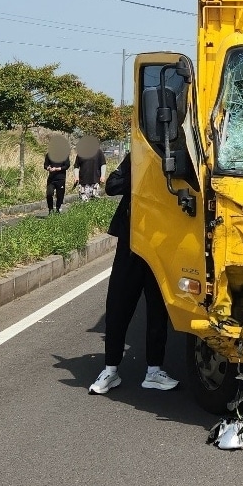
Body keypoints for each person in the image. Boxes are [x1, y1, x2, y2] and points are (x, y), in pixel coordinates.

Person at [88, 152, 179, 395]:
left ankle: (154, 371)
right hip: (131, 242)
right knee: (118, 306)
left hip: (162, 245)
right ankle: (110, 369)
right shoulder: (137, 157)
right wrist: (142, 177)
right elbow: (112, 186)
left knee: (158, 310)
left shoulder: (181, 155)